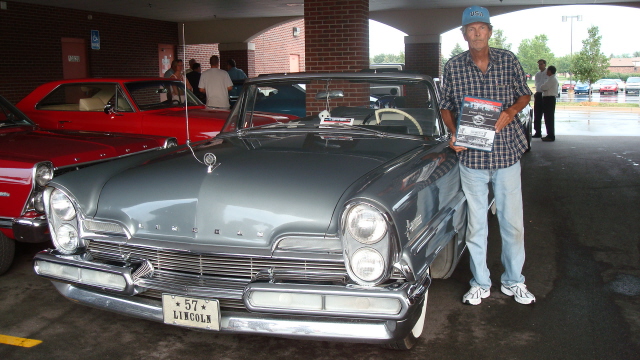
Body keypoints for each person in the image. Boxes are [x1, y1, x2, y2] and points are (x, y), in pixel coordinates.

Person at [439, 6, 536, 306]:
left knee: (512, 223)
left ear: (490, 31)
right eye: (471, 28)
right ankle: (480, 282)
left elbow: (525, 93)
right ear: (464, 34)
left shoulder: (508, 60)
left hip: (507, 153)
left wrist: (511, 111)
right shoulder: (453, 66)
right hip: (472, 158)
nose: (477, 33)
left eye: (482, 27)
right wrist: (454, 133)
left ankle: (513, 281)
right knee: (476, 224)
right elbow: (445, 105)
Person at [539, 65, 558, 142]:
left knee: (549, 117)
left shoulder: (552, 79)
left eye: (547, 70)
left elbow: (544, 87)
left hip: (549, 99)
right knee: (547, 117)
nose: (546, 72)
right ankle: (549, 134)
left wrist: (542, 86)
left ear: (550, 71)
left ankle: (551, 135)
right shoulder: (551, 78)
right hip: (548, 99)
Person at [533, 59, 548, 138]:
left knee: (547, 115)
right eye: (539, 64)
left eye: (541, 64)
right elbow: (536, 84)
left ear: (545, 64)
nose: (540, 66)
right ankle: (537, 132)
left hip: (545, 94)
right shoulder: (537, 74)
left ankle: (549, 133)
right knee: (537, 114)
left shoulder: (548, 73)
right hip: (538, 94)